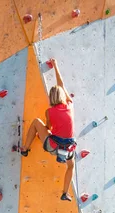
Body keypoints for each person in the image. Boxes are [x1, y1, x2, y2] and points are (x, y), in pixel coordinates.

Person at [20, 58, 76, 202]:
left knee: (36, 123)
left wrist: (44, 133)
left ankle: (25, 148)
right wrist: (56, 65)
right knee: (71, 167)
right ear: (63, 96)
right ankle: (65, 193)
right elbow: (61, 85)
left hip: (53, 146)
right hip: (68, 149)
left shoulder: (49, 112)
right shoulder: (70, 105)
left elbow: (49, 128)